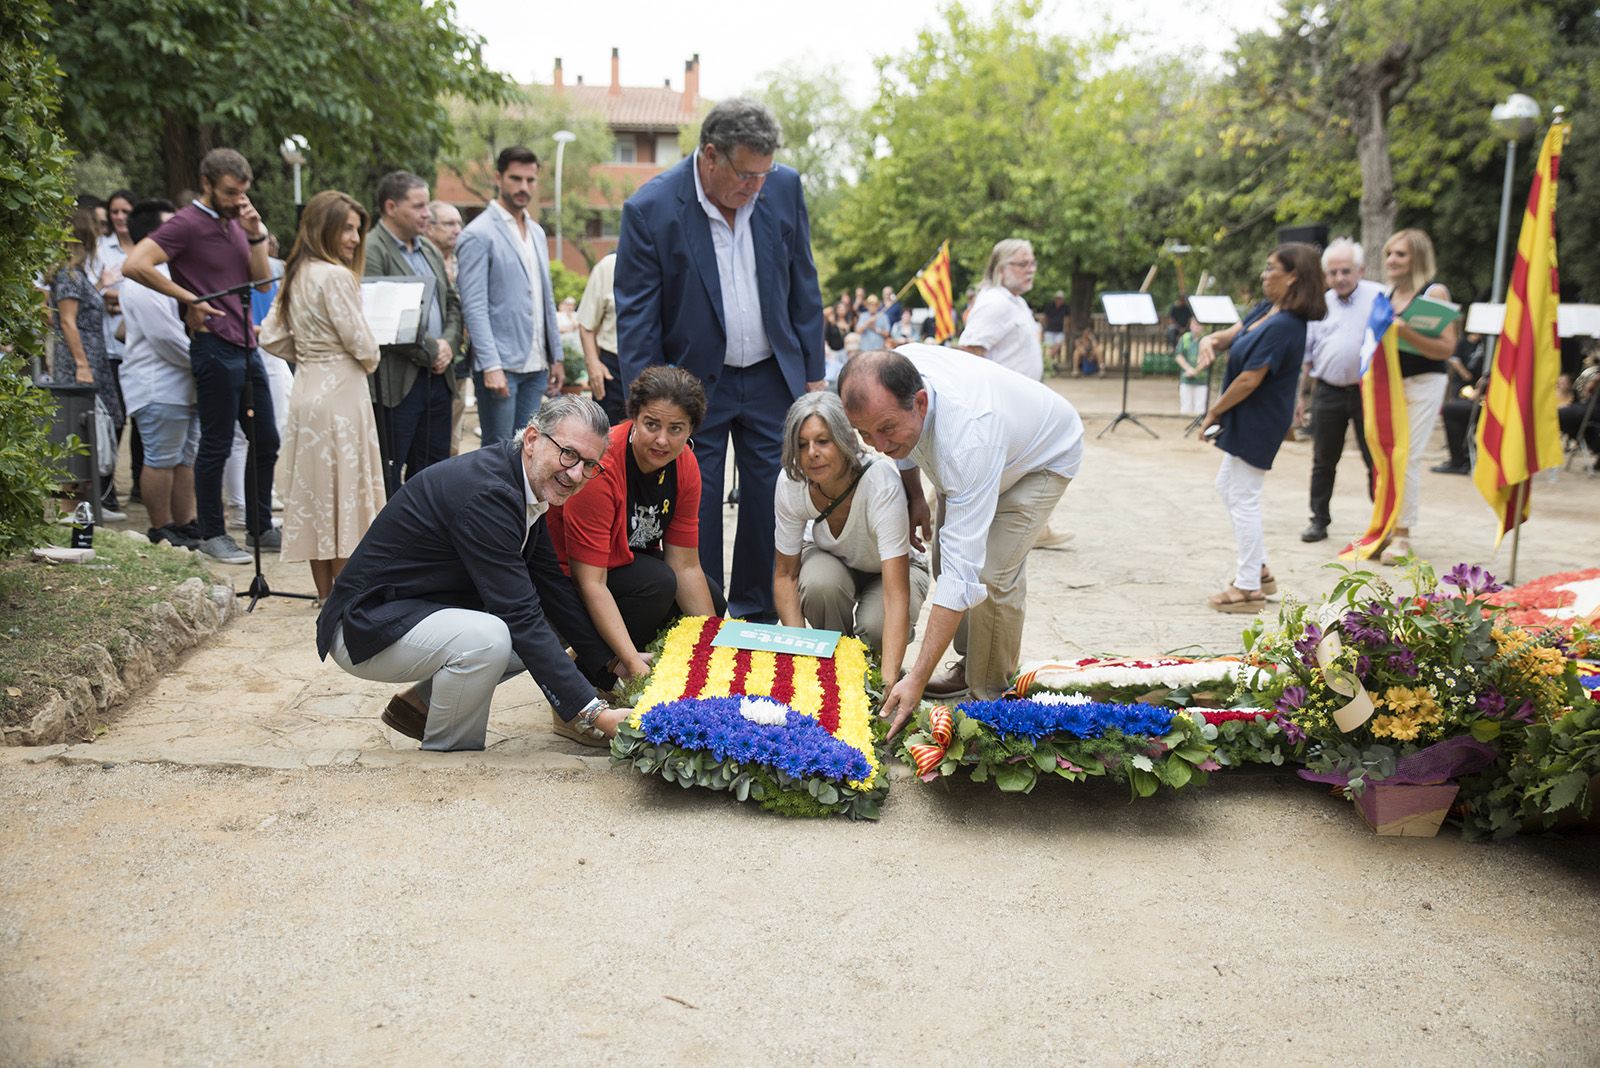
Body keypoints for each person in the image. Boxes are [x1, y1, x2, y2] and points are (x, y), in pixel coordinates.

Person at [615, 97, 825, 622]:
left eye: (764, 173)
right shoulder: (651, 208)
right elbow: (637, 318)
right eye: (746, 174)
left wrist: (814, 375)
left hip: (772, 375)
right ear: (710, 155)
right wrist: (648, 405)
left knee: (772, 497)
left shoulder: (783, 187)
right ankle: (700, 621)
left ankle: (757, 616)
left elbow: (803, 281)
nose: (756, 186)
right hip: (691, 386)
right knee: (696, 500)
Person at [317, 397, 625, 751]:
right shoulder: (490, 494)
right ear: (531, 439)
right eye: (568, 454)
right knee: (490, 636)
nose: (576, 474)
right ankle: (453, 751)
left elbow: (551, 586)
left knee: (546, 624)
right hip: (364, 627)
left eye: (589, 464)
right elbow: (519, 614)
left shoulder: (525, 480)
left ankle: (421, 705)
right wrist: (593, 713)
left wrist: (613, 666)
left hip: (417, 610)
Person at [838, 345, 1084, 732]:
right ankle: (969, 665)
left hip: (1042, 457)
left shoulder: (968, 441)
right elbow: (898, 441)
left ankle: (990, 701)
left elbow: (961, 577)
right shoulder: (896, 378)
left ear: (920, 403)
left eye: (886, 430)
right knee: (943, 557)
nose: (878, 446)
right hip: (986, 450)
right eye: (864, 433)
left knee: (990, 574)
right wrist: (915, 495)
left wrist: (916, 677)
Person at [120, 147, 278, 566]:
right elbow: (135, 265)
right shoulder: (186, 223)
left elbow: (263, 284)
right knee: (216, 443)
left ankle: (260, 525)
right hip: (213, 346)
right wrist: (189, 298)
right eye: (229, 192)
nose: (237, 200)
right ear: (206, 184)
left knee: (266, 438)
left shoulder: (238, 221)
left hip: (246, 345)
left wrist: (256, 235)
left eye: (242, 192)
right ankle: (212, 533)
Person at [549, 367, 724, 676]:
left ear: (691, 430)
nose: (662, 440)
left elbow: (685, 566)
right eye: (651, 424)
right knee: (656, 583)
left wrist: (718, 651)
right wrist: (628, 661)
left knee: (711, 600)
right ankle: (590, 679)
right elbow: (590, 582)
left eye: (676, 429)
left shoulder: (685, 465)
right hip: (567, 580)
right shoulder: (601, 466)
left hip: (625, 566)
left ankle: (670, 675)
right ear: (634, 418)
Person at [258, 190, 387, 600]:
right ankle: (344, 597)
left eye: (357, 230)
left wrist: (309, 353)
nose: (354, 238)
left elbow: (269, 336)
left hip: (307, 389)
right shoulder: (336, 276)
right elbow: (364, 347)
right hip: (342, 396)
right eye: (347, 229)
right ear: (324, 228)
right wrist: (348, 354)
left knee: (317, 495)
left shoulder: (296, 272)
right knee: (346, 494)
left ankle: (324, 594)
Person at [1198, 244, 1327, 612]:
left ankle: (1248, 587)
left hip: (1260, 417)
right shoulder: (1268, 310)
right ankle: (1259, 568)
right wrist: (1210, 339)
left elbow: (1250, 379)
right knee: (1228, 487)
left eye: (1271, 268)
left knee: (1244, 496)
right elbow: (1231, 336)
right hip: (1247, 414)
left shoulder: (1286, 325)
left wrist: (1213, 412)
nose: (1263, 274)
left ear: (1293, 277)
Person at [773, 392, 931, 684]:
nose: (812, 453)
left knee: (876, 626)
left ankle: (876, 671)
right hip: (832, 561)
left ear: (846, 439)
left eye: (823, 441)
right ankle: (830, 668)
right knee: (820, 585)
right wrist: (798, 657)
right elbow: (785, 574)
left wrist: (887, 683)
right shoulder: (792, 482)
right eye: (802, 444)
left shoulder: (880, 481)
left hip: (895, 572)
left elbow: (896, 594)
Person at [364, 171, 463, 494]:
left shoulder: (429, 250)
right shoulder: (372, 250)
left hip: (439, 378)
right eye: (418, 206)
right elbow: (383, 315)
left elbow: (451, 303)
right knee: (389, 471)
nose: (427, 214)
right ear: (391, 207)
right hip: (396, 383)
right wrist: (433, 350)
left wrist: (448, 344)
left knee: (434, 471)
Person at [456, 145, 563, 444]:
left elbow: (546, 298)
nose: (523, 187)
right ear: (498, 178)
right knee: (498, 453)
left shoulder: (537, 232)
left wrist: (556, 356)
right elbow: (474, 307)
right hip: (501, 367)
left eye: (530, 180)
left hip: (536, 366)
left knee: (529, 449)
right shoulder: (478, 234)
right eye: (515, 178)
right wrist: (491, 366)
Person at [119, 198, 201, 548]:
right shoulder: (141, 278)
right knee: (161, 459)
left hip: (185, 385)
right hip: (159, 384)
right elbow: (165, 337)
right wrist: (202, 361)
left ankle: (185, 524)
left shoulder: (169, 273)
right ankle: (161, 526)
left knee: (184, 459)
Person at [1379, 227, 1459, 564]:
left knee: (1407, 456)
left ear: (1418, 258)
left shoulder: (1433, 293)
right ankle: (1386, 524)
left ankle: (1403, 534)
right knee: (1387, 454)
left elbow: (1447, 348)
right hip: (1389, 383)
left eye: (1400, 254)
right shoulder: (1386, 294)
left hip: (1425, 381)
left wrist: (1406, 331)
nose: (1392, 260)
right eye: (1389, 253)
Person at [1297, 238, 1381, 543]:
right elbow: (1307, 355)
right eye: (1333, 273)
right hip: (1327, 391)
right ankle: (1318, 520)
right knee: (1323, 459)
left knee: (1375, 459)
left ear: (1360, 270)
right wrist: (1300, 396)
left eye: (1346, 271)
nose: (1339, 278)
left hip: (1368, 393)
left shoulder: (1379, 297)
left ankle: (1382, 523)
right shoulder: (1320, 304)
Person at [49, 207, 126, 520]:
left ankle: (88, 503)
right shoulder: (68, 275)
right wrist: (81, 364)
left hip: (92, 359)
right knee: (77, 429)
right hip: (80, 363)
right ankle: (70, 507)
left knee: (95, 428)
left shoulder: (77, 275)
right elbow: (68, 322)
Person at [425, 199, 473, 455]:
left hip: (459, 362)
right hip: (427, 361)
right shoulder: (421, 261)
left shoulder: (462, 261)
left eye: (459, 223)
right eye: (449, 224)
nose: (457, 230)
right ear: (429, 227)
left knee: (452, 438)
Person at [960, 238, 1044, 381]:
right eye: (1023, 264)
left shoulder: (1017, 301)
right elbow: (970, 352)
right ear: (1001, 269)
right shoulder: (994, 301)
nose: (1031, 270)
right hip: (1002, 394)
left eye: (1032, 263)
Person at [576, 252, 622, 424]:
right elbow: (587, 324)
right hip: (611, 370)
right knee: (607, 434)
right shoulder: (608, 266)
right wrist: (593, 363)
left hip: (657, 368)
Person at [1434, 333, 1487, 475]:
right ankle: (1462, 458)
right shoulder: (1464, 343)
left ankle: (1459, 461)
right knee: (1455, 408)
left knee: (1451, 410)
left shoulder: (1489, 344)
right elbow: (1454, 358)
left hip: (1487, 401)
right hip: (1470, 391)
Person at [1175, 312, 1210, 417]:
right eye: (1194, 324)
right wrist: (1189, 369)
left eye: (1199, 325)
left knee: (1200, 409)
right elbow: (1178, 356)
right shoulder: (1185, 338)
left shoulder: (1206, 340)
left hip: (1202, 380)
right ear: (1190, 325)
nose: (1196, 327)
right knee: (1185, 407)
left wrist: (1196, 371)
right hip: (1186, 379)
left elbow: (1208, 359)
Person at [1041, 290, 1068, 374]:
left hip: (1059, 331)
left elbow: (1067, 319)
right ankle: (1052, 364)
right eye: (1058, 298)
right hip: (1049, 330)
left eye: (1061, 298)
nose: (1059, 300)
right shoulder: (1050, 306)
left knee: (1056, 347)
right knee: (1050, 347)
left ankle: (1049, 363)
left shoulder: (1065, 308)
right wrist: (1044, 328)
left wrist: (1066, 329)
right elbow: (1045, 317)